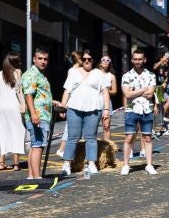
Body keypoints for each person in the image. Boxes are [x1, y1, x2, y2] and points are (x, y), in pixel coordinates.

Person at [58, 50, 110, 177]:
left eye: (89, 59)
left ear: (93, 60)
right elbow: (67, 91)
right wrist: (63, 107)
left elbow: (105, 92)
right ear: (81, 60)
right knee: (72, 137)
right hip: (74, 108)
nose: (87, 61)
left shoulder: (99, 74)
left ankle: (91, 163)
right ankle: (67, 164)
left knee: (90, 137)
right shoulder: (73, 72)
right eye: (84, 59)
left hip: (93, 109)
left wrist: (106, 109)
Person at [119, 47, 158, 175]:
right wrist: (143, 90)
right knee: (129, 137)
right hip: (131, 109)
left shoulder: (151, 75)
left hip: (146, 109)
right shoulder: (126, 76)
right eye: (135, 59)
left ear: (144, 60)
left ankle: (149, 165)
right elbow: (127, 94)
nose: (137, 61)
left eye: (140, 59)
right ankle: (126, 165)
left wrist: (134, 91)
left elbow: (150, 94)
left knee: (147, 137)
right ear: (132, 60)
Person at [20, 47, 53, 180]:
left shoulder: (39, 74)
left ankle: (31, 176)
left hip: (42, 114)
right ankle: (37, 177)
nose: (43, 61)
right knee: (38, 146)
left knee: (35, 145)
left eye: (45, 59)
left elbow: (40, 95)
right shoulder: (32, 74)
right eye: (40, 58)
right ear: (34, 59)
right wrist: (34, 114)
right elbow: (28, 95)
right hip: (38, 115)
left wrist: (53, 102)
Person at [0, 52, 26, 171]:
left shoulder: (0, 74)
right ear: (14, 62)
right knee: (17, 132)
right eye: (18, 60)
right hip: (14, 105)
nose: (20, 62)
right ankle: (16, 164)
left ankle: (1, 162)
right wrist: (23, 104)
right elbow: (19, 90)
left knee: (3, 132)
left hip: (2, 107)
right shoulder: (17, 72)